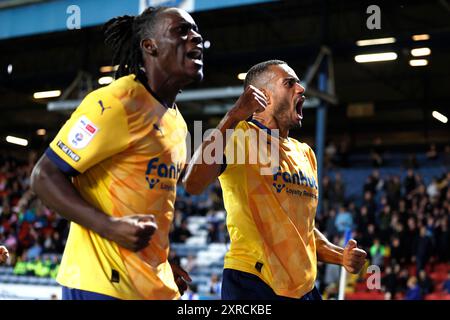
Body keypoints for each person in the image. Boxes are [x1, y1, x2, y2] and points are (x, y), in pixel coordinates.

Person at [30, 6, 203, 300]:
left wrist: (160, 261)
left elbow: (151, 203)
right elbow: (44, 176)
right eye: (181, 31)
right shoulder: (116, 102)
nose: (196, 37)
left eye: (196, 31)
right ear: (150, 46)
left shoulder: (177, 122)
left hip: (151, 285)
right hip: (101, 285)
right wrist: (109, 227)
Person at [183, 60, 367, 300]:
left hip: (304, 288)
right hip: (253, 282)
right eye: (289, 83)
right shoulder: (239, 136)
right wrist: (233, 116)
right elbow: (193, 183)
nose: (301, 89)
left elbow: (303, 231)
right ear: (264, 97)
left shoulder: (306, 154)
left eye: (299, 84)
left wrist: (339, 256)